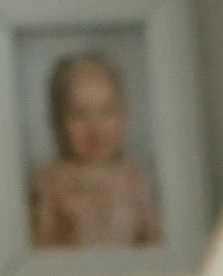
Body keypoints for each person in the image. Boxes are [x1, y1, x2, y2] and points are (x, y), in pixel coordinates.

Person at [26, 49, 162, 251]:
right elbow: (37, 248)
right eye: (79, 115)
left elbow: (155, 242)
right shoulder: (48, 182)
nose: (96, 129)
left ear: (124, 114)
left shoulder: (135, 179)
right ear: (58, 121)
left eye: (107, 112)